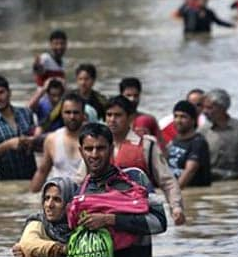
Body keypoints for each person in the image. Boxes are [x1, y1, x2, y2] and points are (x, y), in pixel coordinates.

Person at [76, 122, 167, 257]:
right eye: (89, 149)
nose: (95, 154)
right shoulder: (80, 191)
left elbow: (159, 222)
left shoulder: (136, 180)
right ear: (81, 151)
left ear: (111, 149)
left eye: (101, 148)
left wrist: (110, 219)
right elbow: (63, 233)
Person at [79, 95, 185, 225]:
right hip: (102, 216)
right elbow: (80, 181)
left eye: (118, 115)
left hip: (138, 216)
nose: (112, 120)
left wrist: (176, 207)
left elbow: (167, 181)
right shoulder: (95, 148)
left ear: (130, 118)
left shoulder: (146, 145)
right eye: (109, 115)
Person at [199, 88, 238, 180]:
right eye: (203, 107)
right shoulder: (202, 131)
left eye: (209, 108)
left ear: (222, 108)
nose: (204, 111)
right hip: (213, 184)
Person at [30, 93, 86, 192]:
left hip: (83, 197)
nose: (72, 117)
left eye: (76, 112)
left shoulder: (92, 140)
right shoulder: (52, 139)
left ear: (83, 114)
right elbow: (42, 172)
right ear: (61, 114)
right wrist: (29, 199)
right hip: (58, 197)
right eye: (67, 112)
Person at [166, 101, 211, 187]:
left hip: (191, 192)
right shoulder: (174, 141)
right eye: (176, 116)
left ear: (193, 120)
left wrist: (173, 194)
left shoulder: (198, 142)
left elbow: (189, 171)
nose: (178, 120)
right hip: (174, 189)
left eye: (183, 117)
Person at [119, 77, 165, 148]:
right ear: (121, 95)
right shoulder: (113, 120)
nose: (132, 99)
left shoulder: (149, 120)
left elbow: (161, 147)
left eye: (136, 95)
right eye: (128, 95)